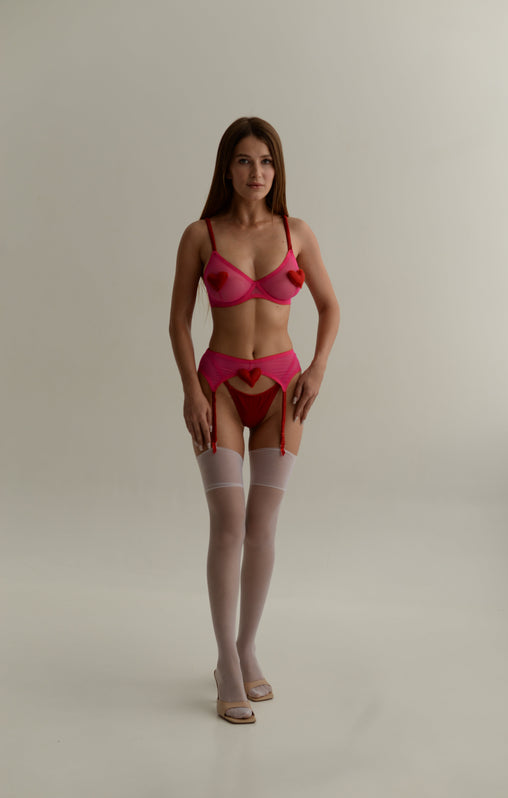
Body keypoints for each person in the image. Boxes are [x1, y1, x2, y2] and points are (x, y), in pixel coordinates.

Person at [169, 117, 340, 723]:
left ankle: (245, 649)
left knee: (262, 525)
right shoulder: (201, 235)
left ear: (277, 169)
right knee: (228, 522)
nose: (256, 172)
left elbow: (330, 306)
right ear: (227, 168)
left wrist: (317, 368)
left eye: (266, 161)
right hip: (217, 387)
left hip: (281, 390)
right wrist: (190, 390)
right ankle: (224, 658)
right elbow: (178, 322)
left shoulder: (296, 232)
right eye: (244, 160)